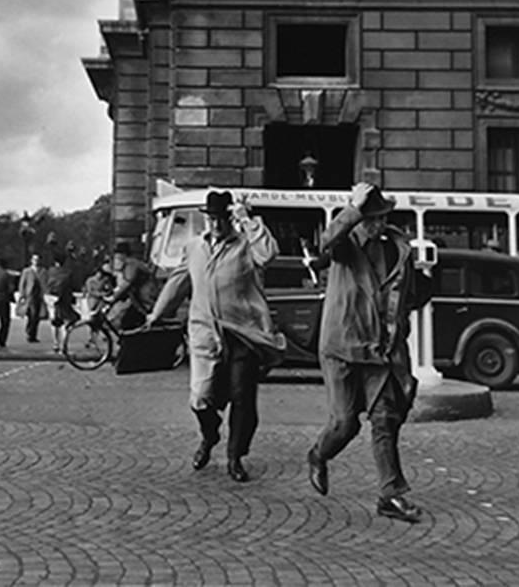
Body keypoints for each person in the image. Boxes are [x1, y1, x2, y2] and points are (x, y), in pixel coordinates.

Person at [303, 181, 432, 524]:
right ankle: (318, 455)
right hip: (342, 347)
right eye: (370, 217)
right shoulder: (344, 247)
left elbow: (410, 296)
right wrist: (353, 209)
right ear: (359, 218)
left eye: (381, 217)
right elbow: (326, 241)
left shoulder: (396, 249)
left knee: (384, 420)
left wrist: (422, 289)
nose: (377, 224)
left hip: (379, 351)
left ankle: (390, 495)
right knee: (344, 424)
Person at [146, 190, 286, 483]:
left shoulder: (246, 245)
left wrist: (249, 220)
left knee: (241, 397)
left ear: (230, 219)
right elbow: (178, 282)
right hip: (204, 333)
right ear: (205, 219)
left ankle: (235, 456)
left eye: (222, 218)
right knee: (200, 397)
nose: (216, 224)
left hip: (242, 333)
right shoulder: (194, 247)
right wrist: (157, 314)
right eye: (211, 218)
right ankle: (209, 436)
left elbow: (269, 253)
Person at [106, 241, 157, 331]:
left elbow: (127, 283)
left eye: (118, 254)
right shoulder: (131, 263)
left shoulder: (131, 264)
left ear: (124, 254)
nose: (117, 258)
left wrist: (114, 297)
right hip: (141, 297)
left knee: (129, 320)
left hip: (146, 296)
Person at [46, 254, 80, 353]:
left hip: (53, 299)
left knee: (54, 323)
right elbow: (73, 285)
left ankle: (55, 344)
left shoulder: (50, 272)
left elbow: (47, 284)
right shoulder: (68, 272)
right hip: (65, 299)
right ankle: (64, 345)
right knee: (66, 323)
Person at [18, 253, 47, 343]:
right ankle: (30, 333)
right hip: (29, 296)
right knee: (32, 315)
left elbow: (45, 282)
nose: (36, 261)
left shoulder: (43, 271)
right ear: (31, 260)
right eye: (34, 259)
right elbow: (22, 284)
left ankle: (33, 334)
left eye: (37, 259)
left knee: (37, 316)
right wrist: (22, 295)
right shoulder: (27, 271)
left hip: (38, 296)